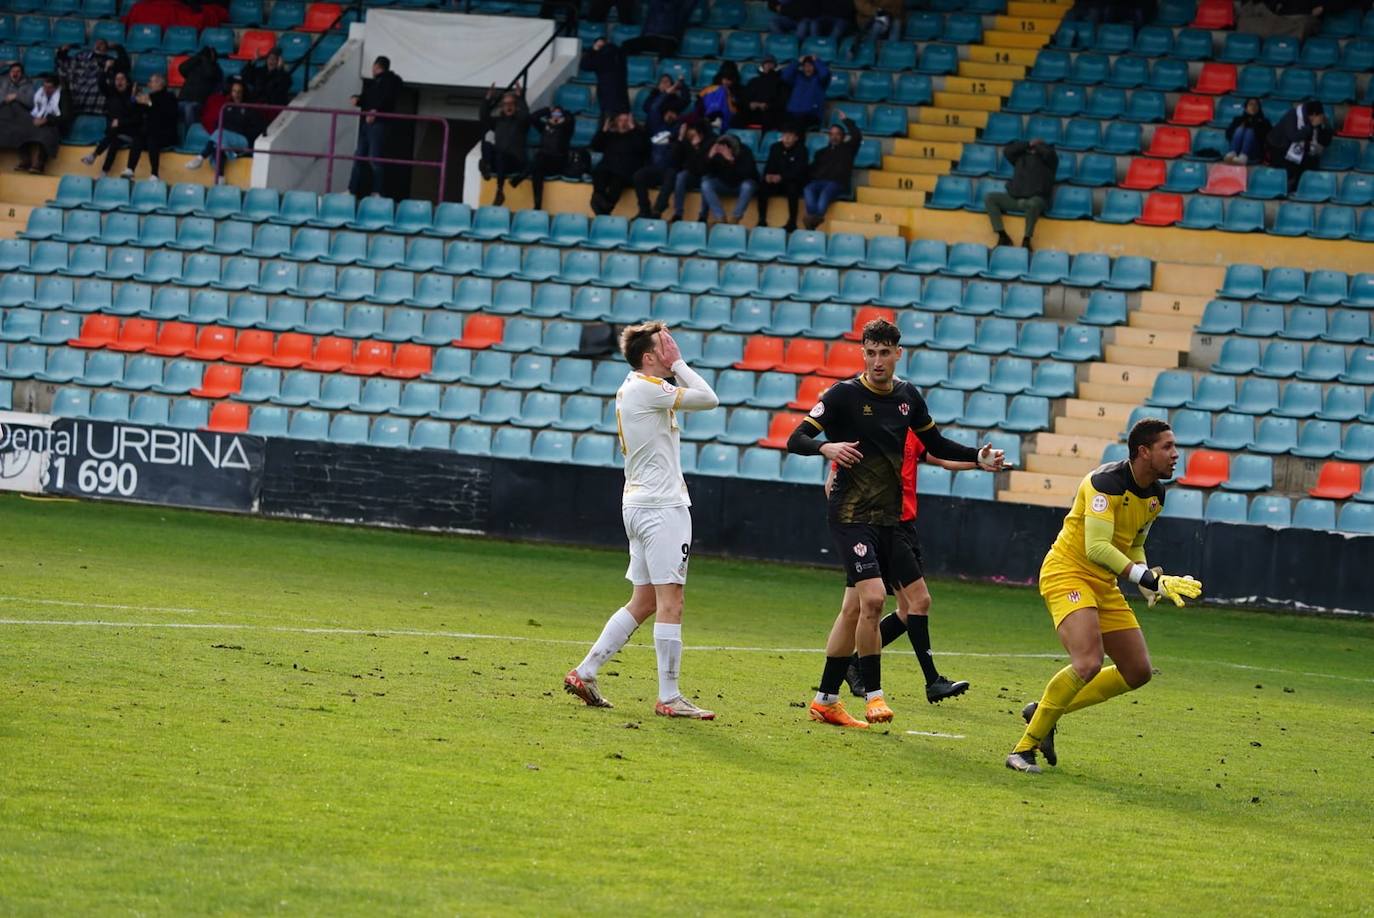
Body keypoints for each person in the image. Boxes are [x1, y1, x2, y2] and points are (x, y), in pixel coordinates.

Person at [786, 318, 1006, 729]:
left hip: (889, 519)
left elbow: (935, 443)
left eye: (884, 352)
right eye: (869, 352)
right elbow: (795, 438)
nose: (876, 361)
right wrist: (826, 447)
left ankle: (825, 699)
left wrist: (978, 457)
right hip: (850, 516)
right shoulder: (842, 395)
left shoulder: (908, 397)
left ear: (898, 353)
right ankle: (874, 696)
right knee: (873, 600)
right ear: (862, 353)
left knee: (853, 609)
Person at [1006, 418, 1202, 774]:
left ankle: (1045, 710)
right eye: (1167, 447)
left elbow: (1135, 543)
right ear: (1144, 452)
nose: (1176, 455)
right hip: (1068, 573)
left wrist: (1146, 583)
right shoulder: (1104, 484)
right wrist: (1148, 577)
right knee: (1088, 662)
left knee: (1138, 671)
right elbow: (1096, 547)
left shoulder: (1156, 494)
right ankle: (1023, 750)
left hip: (1104, 584)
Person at [564, 320, 720, 720]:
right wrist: (681, 363)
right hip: (662, 508)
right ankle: (669, 697)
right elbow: (708, 399)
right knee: (673, 601)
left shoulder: (632, 387)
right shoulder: (648, 388)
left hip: (637, 502)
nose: (671, 349)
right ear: (649, 357)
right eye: (664, 346)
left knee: (645, 600)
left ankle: (586, 671)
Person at [835, 434, 979, 703]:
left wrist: (979, 461)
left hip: (905, 526)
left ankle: (852, 666)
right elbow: (834, 480)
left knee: (899, 609)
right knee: (918, 601)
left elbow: (941, 457)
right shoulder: (863, 430)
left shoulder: (910, 430)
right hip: (885, 528)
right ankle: (932, 681)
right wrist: (849, 528)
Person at [985, 138, 1057, 250]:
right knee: (990, 198)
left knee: (1033, 204)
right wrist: (1028, 143)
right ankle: (1003, 236)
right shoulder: (1020, 157)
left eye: (1036, 147)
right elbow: (1008, 151)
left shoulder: (1049, 162)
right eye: (1031, 147)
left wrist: (1039, 146)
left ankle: (1026, 240)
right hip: (1015, 199)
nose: (1033, 149)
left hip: (1036, 199)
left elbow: (1049, 153)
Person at [347, 56, 403, 197]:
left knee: (374, 158)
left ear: (377, 66)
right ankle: (351, 190)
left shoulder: (391, 82)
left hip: (379, 124)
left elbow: (387, 100)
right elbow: (367, 99)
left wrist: (376, 111)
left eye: (373, 66)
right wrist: (357, 99)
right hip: (367, 124)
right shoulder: (374, 83)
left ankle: (377, 191)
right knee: (359, 156)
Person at [633, 78, 688, 218]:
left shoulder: (679, 127)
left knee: (671, 175)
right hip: (654, 168)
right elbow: (654, 106)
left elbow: (686, 101)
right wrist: (667, 91)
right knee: (638, 175)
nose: (671, 115)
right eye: (668, 112)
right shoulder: (655, 125)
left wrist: (682, 86)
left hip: (670, 168)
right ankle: (644, 209)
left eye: (674, 113)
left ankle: (657, 210)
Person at [802, 111, 860, 229]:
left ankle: (813, 221)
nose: (834, 136)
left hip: (837, 183)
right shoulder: (821, 152)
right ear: (829, 136)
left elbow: (857, 136)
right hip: (819, 182)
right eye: (832, 134)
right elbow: (812, 169)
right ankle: (813, 218)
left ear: (843, 136)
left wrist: (846, 120)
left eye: (838, 134)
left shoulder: (848, 149)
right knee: (808, 188)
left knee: (825, 193)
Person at [186, 78, 257, 172]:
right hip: (226, 139)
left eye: (240, 91)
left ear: (244, 93)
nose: (237, 94)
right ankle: (220, 179)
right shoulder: (227, 107)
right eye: (234, 91)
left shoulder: (249, 107)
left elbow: (252, 128)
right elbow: (219, 123)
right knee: (217, 147)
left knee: (220, 134)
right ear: (231, 92)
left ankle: (201, 157)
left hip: (243, 141)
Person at [478, 83, 530, 208]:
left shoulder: (521, 122)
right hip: (499, 161)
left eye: (511, 104)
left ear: (516, 106)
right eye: (506, 104)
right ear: (502, 107)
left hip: (514, 162)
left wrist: (520, 98)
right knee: (485, 145)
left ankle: (500, 191)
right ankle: (487, 168)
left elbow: (525, 114)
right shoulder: (498, 122)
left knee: (500, 155)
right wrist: (487, 99)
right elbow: (484, 117)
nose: (508, 107)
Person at [81, 69, 140, 177]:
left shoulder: (134, 97)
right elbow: (101, 83)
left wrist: (121, 122)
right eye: (117, 79)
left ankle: (94, 155)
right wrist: (106, 70)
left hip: (131, 132)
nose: (119, 81)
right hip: (116, 133)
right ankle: (104, 172)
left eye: (122, 79)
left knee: (113, 135)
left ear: (127, 82)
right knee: (113, 142)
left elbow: (137, 118)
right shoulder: (111, 95)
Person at [1266, 99, 1332, 192]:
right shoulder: (1292, 115)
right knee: (1293, 165)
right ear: (1313, 115)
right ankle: (1289, 188)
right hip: (1280, 148)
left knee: (1312, 162)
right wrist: (1310, 127)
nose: (1321, 118)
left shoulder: (1319, 120)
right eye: (1319, 116)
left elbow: (1325, 142)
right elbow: (1293, 136)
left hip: (1302, 150)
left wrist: (1326, 126)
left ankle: (1303, 189)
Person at [590, 110, 649, 215]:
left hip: (624, 171)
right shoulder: (611, 135)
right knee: (599, 173)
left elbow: (642, 148)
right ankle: (599, 198)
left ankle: (602, 209)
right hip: (607, 168)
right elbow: (595, 146)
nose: (623, 123)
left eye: (626, 120)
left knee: (616, 183)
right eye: (620, 120)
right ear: (616, 122)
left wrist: (632, 129)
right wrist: (603, 131)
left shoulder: (637, 134)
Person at [125, 73, 178, 180]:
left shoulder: (169, 97)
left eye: (151, 82)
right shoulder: (150, 96)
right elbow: (132, 109)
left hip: (166, 134)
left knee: (151, 137)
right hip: (150, 134)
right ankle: (130, 169)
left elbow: (167, 115)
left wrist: (149, 103)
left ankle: (154, 174)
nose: (149, 84)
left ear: (160, 84)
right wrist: (133, 96)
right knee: (138, 136)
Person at [757, 124, 808, 231]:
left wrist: (782, 177)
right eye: (784, 135)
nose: (787, 138)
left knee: (793, 188)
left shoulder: (801, 149)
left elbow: (799, 171)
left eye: (790, 136)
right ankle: (762, 220)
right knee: (762, 187)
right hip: (776, 181)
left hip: (791, 181)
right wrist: (768, 175)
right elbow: (770, 164)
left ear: (796, 138)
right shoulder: (775, 147)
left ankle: (792, 222)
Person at [699, 132, 758, 224]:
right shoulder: (717, 152)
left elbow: (748, 174)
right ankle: (720, 218)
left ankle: (735, 218)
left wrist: (731, 160)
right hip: (724, 184)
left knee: (748, 186)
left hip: (740, 184)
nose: (722, 149)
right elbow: (703, 172)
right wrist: (709, 157)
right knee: (706, 184)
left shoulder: (745, 151)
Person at [13, 73, 66, 174]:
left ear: (56, 87)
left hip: (55, 124)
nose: (46, 90)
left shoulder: (63, 96)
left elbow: (66, 117)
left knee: (47, 133)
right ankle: (25, 160)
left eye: (49, 88)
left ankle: (39, 163)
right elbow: (35, 110)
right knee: (21, 127)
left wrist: (47, 120)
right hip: (38, 120)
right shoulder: (39, 94)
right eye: (44, 87)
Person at [528, 105, 575, 210]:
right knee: (537, 171)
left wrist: (564, 118)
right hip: (544, 164)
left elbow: (571, 119)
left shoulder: (566, 129)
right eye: (554, 114)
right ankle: (537, 205)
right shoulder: (545, 127)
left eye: (559, 114)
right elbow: (532, 117)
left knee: (539, 159)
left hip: (558, 163)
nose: (556, 116)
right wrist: (547, 110)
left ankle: (524, 173)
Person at [665, 120, 712, 222]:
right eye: (689, 135)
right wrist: (680, 139)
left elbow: (704, 167)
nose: (691, 137)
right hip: (693, 173)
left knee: (706, 181)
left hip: (706, 174)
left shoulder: (710, 142)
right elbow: (674, 159)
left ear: (701, 134)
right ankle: (678, 213)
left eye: (693, 134)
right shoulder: (687, 141)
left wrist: (696, 149)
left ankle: (703, 216)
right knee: (681, 176)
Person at [57, 40, 119, 115]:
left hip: (95, 79)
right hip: (80, 77)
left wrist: (118, 48)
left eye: (101, 44)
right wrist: (63, 52)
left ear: (106, 47)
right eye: (97, 43)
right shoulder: (84, 55)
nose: (98, 45)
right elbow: (70, 64)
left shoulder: (109, 59)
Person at [622, 0, 699, 55]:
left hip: (668, 39)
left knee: (666, 51)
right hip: (650, 37)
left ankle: (662, 74)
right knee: (626, 45)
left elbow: (690, 3)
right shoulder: (655, 3)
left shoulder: (680, 5)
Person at [177, 46, 222, 131]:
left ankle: (190, 135)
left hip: (199, 101)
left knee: (189, 109)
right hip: (184, 99)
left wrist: (206, 59)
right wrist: (197, 56)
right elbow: (182, 68)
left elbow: (209, 74)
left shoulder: (216, 69)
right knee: (171, 106)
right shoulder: (194, 66)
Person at [580, 38, 629, 117]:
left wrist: (593, 50)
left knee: (608, 119)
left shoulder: (601, 58)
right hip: (621, 94)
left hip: (608, 95)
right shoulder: (618, 54)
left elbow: (584, 65)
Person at [781, 55, 830, 133]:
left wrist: (817, 61)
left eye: (810, 66)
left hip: (811, 115)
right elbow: (785, 75)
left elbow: (825, 74)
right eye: (805, 66)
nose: (808, 68)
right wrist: (797, 62)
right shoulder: (797, 77)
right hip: (793, 113)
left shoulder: (820, 80)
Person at [741, 55, 788, 130]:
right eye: (766, 63)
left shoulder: (781, 83)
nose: (768, 65)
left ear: (775, 66)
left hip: (771, 113)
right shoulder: (754, 81)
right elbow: (744, 98)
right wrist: (750, 104)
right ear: (762, 66)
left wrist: (767, 105)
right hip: (752, 112)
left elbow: (782, 101)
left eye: (771, 63)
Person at [242, 46, 292, 113]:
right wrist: (253, 61)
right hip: (256, 104)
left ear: (279, 61)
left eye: (274, 59)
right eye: (269, 58)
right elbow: (246, 76)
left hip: (271, 107)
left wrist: (280, 70)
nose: (271, 61)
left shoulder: (284, 75)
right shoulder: (260, 71)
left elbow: (282, 88)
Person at [694, 62, 740, 132]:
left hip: (728, 117)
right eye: (724, 78)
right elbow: (699, 100)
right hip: (708, 114)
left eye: (729, 79)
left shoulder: (738, 90)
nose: (726, 81)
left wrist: (729, 95)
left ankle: (715, 117)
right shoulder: (711, 88)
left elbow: (736, 108)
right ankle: (711, 118)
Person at [1224, 97, 1271, 165]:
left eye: (1256, 105)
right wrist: (1240, 127)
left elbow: (1266, 139)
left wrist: (1255, 125)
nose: (1253, 107)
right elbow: (1228, 135)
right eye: (1250, 104)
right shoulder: (1238, 119)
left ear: (1259, 107)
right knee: (1240, 129)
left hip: (1254, 152)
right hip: (1237, 152)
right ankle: (1232, 153)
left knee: (1250, 131)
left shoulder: (1264, 122)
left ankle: (1243, 156)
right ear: (1246, 108)